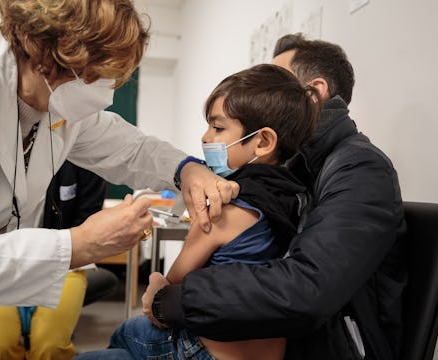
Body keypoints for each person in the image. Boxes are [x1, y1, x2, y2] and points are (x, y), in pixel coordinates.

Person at [0, 0, 237, 358]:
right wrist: (81, 244)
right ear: (42, 53)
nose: (105, 94)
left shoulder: (53, 100)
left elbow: (129, 147)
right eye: (95, 76)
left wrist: (186, 168)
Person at [137, 33, 406, 360]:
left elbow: (307, 291)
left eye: (279, 82)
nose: (265, 94)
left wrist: (174, 300)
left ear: (315, 92)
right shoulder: (294, 169)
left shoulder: (360, 170)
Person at [76, 63, 321, 360]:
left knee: (125, 333)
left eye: (218, 128)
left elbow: (169, 290)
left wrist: (154, 282)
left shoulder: (222, 209)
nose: (205, 138)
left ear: (263, 141)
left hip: (203, 351)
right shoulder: (298, 198)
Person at [0, 160, 109, 360]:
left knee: (49, 347)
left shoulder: (83, 160)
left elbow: (89, 225)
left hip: (66, 262)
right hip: (1, 259)